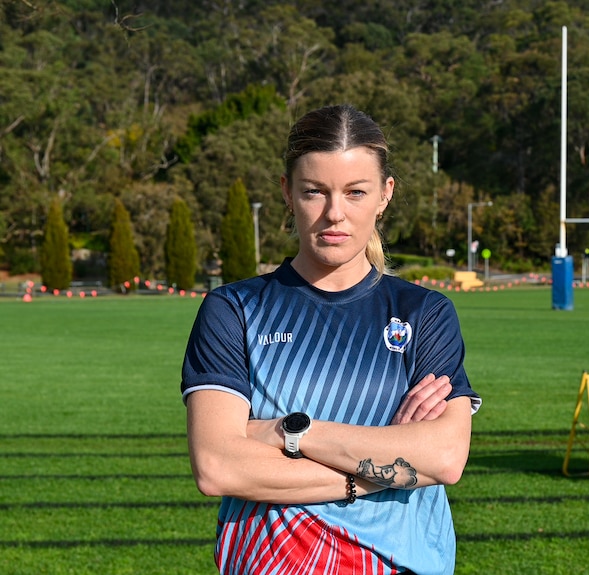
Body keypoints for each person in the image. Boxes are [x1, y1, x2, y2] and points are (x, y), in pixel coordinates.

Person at [181, 103, 481, 575]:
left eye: (355, 192)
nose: (334, 214)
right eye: (314, 192)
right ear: (287, 192)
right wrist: (382, 470)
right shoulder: (233, 310)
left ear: (385, 195)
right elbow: (219, 466)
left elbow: (443, 458)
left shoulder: (424, 314)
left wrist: (290, 432)